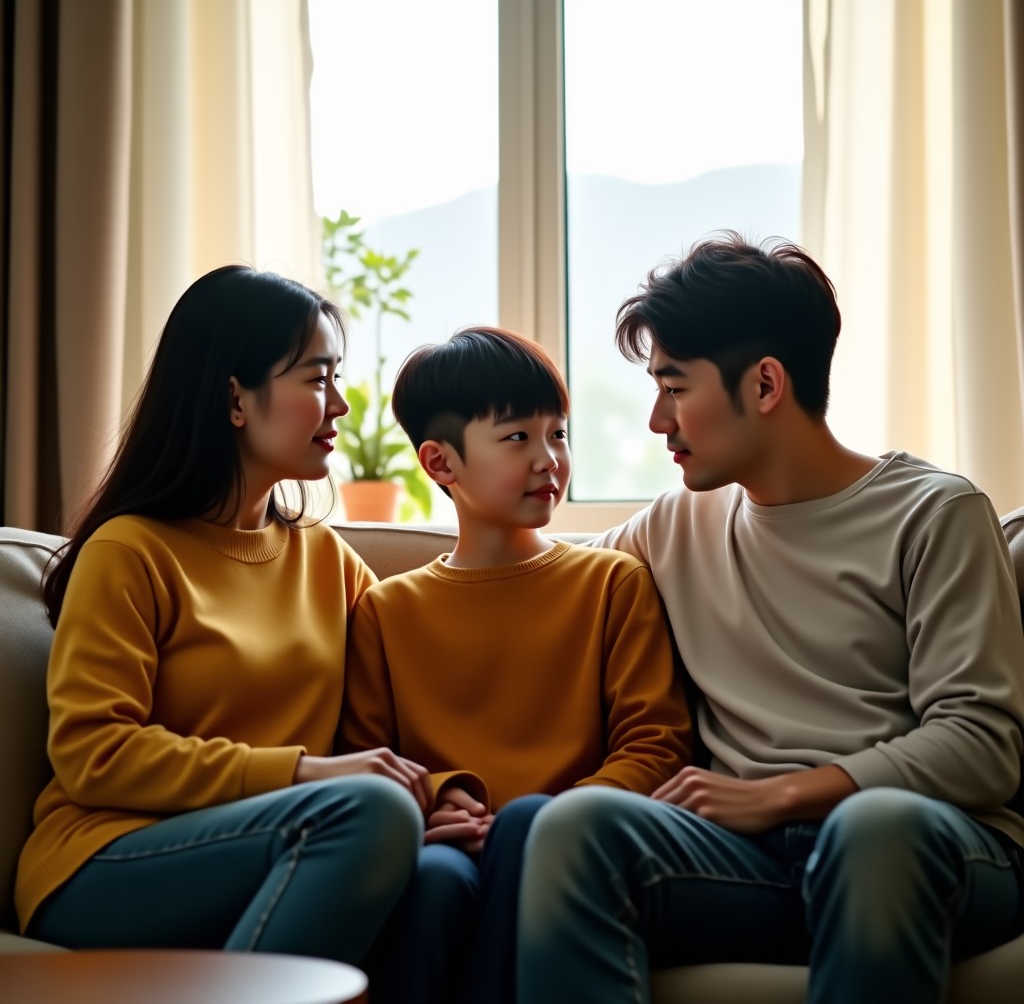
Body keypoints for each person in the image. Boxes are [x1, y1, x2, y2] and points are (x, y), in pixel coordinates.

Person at [516, 233, 1024, 1004]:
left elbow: (982, 744)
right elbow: (537, 584)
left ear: (764, 385)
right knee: (575, 828)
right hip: (748, 863)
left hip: (929, 849)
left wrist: (783, 793)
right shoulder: (674, 525)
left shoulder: (935, 514)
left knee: (875, 831)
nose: (657, 421)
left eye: (676, 387)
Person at [15, 265, 431, 966]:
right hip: (104, 862)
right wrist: (303, 773)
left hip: (274, 840)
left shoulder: (327, 563)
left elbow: (391, 722)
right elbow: (94, 754)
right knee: (371, 815)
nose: (341, 405)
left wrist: (444, 795)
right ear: (237, 397)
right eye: (316, 377)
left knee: (442, 878)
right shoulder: (131, 551)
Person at [338, 326, 692, 1003]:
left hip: (570, 841)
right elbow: (365, 757)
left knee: (528, 827)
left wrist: (555, 818)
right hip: (451, 846)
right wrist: (441, 797)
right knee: (436, 880)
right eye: (516, 439)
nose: (548, 460)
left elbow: (657, 743)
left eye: (557, 434)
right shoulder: (387, 612)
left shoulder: (613, 583)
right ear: (441, 464)